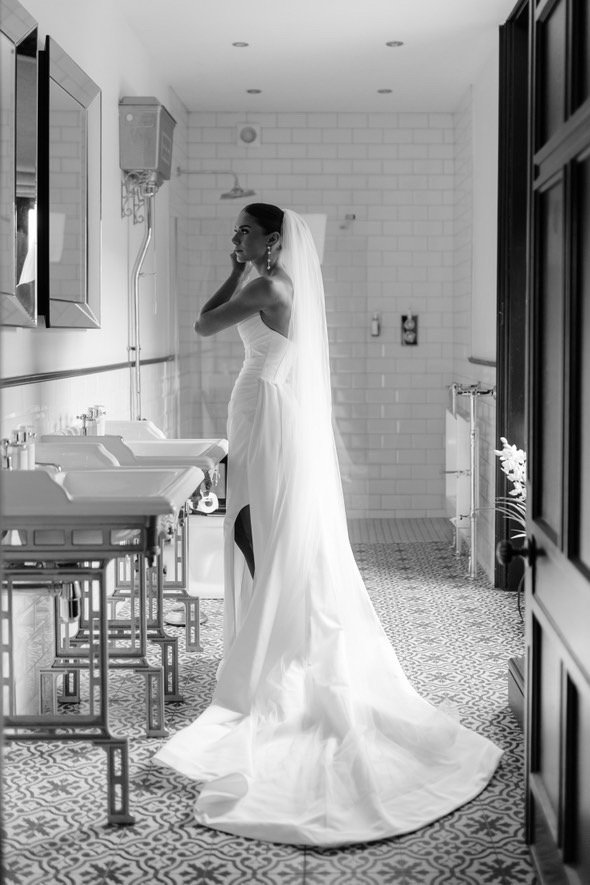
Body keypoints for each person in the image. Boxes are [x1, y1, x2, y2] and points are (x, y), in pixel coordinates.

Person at [153, 205, 502, 846]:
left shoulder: (263, 284)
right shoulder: (276, 284)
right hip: (266, 405)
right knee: (262, 531)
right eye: (235, 233)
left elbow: (204, 324)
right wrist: (237, 266)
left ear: (273, 241)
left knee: (260, 531)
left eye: (245, 233)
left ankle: (276, 648)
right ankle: (274, 639)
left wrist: (232, 273)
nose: (236, 240)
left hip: (264, 407)